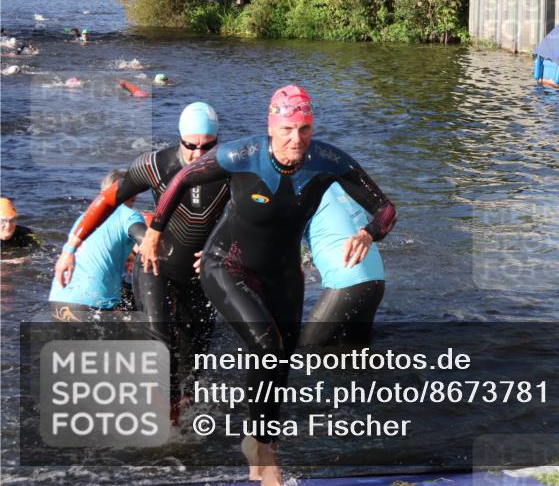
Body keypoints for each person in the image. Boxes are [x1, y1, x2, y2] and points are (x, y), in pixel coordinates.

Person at [140, 85, 397, 486]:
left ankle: (262, 447)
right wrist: (155, 231)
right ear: (271, 127)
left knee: (280, 362)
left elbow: (385, 208)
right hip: (226, 264)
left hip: (283, 275)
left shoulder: (328, 160)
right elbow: (184, 178)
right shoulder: (241, 155)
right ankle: (262, 454)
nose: (297, 139)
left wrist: (367, 233)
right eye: (288, 129)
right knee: (266, 345)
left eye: (306, 129)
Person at [55, 102, 229, 418]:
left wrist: (225, 246)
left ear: (217, 142)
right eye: (190, 145)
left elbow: (251, 215)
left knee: (196, 349)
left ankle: (182, 408)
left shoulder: (230, 167)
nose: (196, 154)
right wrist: (70, 248)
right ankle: (160, 418)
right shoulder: (156, 165)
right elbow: (108, 201)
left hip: (200, 269)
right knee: (160, 339)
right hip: (155, 264)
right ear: (180, 139)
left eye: (206, 146)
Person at [49, 171, 147, 321]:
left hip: (59, 299)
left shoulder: (84, 219)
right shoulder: (129, 215)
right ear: (132, 194)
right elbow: (146, 243)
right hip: (92, 303)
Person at [299, 182, 386, 349]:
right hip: (376, 279)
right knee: (355, 357)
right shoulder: (339, 183)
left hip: (347, 282)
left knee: (306, 352)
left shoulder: (300, 189)